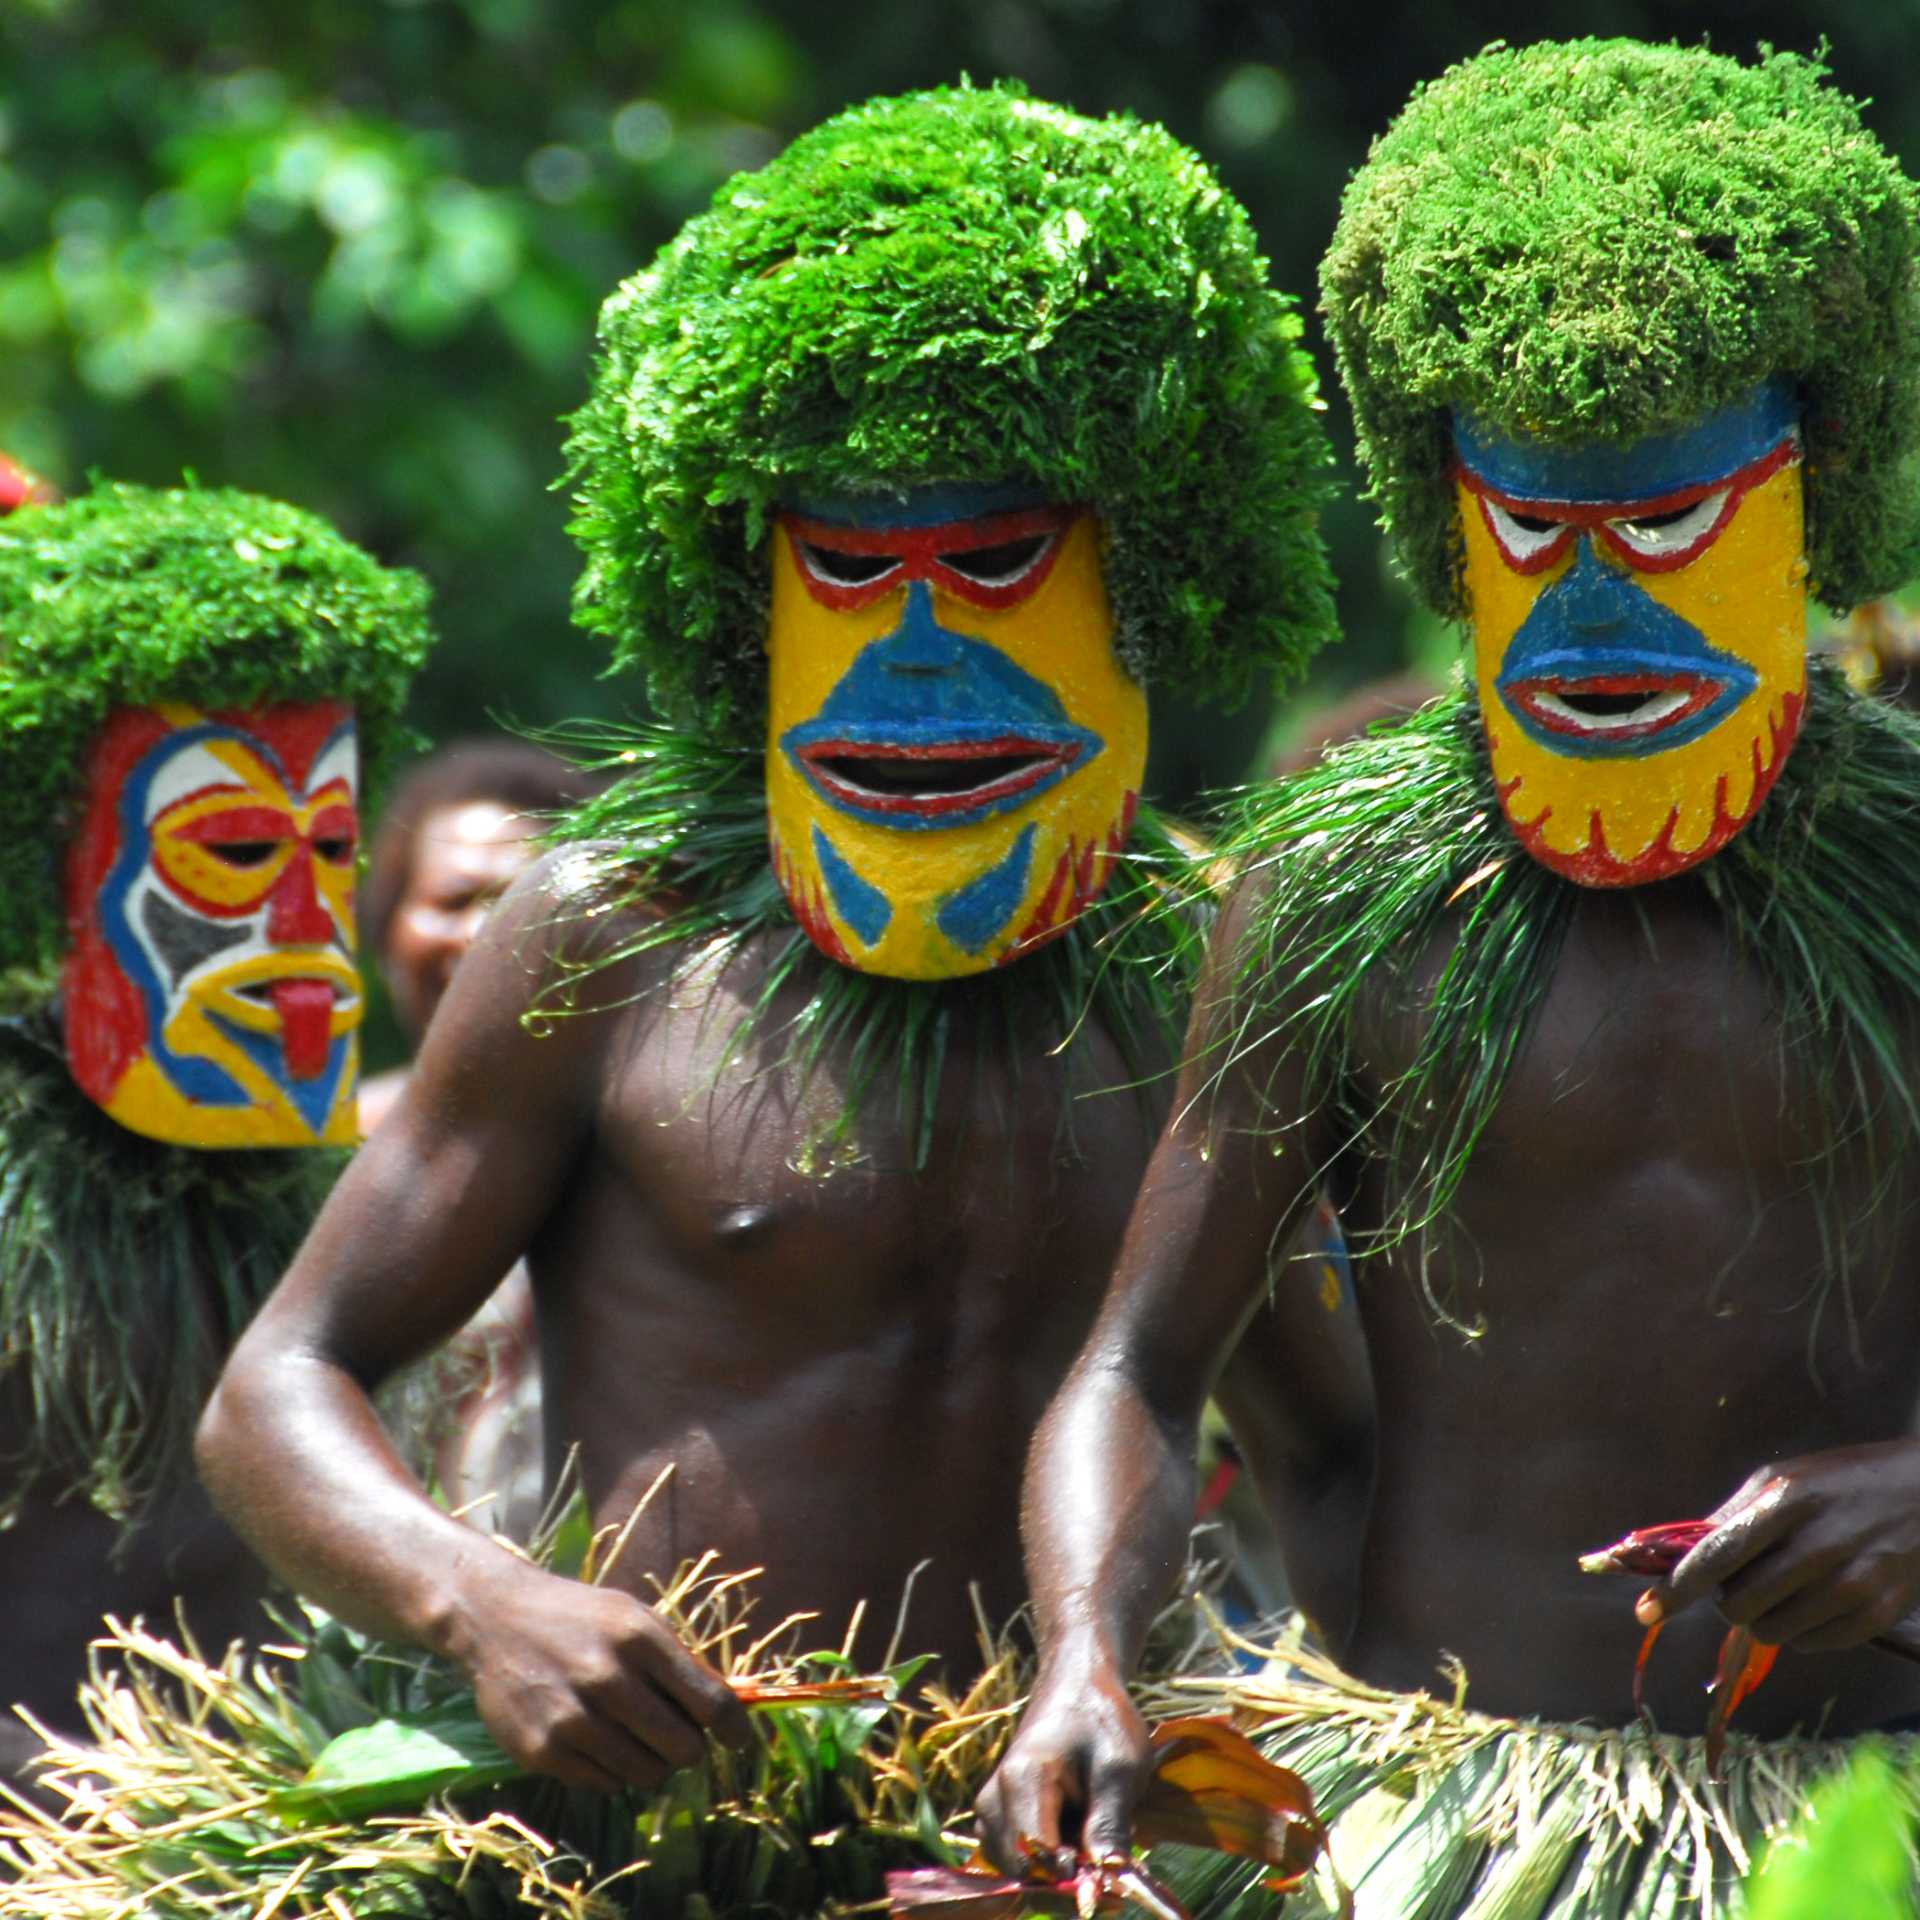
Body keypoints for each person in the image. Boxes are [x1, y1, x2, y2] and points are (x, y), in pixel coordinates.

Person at [194, 81, 1339, 1800]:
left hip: (1027, 1837)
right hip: (633, 1833)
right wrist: (487, 1605)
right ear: (753, 593)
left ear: (1142, 584)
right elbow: (276, 1382)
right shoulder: (616, 932)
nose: (924, 653)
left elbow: (1351, 1450)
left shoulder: (1200, 984)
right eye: (851, 571)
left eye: (1005, 560)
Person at [980, 40, 1920, 1912]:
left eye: (1667, 528)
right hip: (1456, 1817)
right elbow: (1141, 1368)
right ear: (1446, 516)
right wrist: (1086, 1652)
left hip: (1872, 1817)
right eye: (1535, 531)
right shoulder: (1340, 895)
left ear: (1806, 500)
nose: (1596, 611)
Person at [0, 481, 430, 1790]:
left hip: (244, 1824)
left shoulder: (373, 1183)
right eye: (235, 850)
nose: (304, 933)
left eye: (336, 850)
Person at [359, 737, 589, 1537]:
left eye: (526, 899)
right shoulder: (312, 1157)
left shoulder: (646, 1162)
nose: (487, 935)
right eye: (454, 901)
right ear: (387, 931)